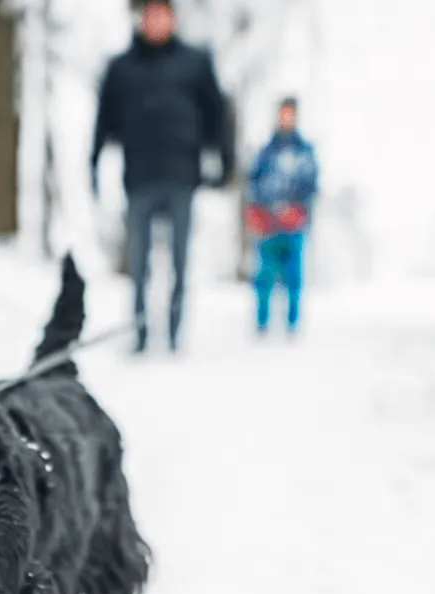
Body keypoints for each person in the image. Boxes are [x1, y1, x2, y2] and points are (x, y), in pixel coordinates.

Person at [91, 0, 234, 354]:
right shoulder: (122, 67)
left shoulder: (195, 63)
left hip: (182, 177)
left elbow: (217, 116)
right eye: (149, 14)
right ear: (141, 19)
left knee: (179, 261)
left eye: (162, 14)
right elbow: (103, 120)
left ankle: (173, 332)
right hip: (138, 177)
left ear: (172, 18)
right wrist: (93, 164)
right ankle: (139, 332)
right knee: (139, 265)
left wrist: (225, 163)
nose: (155, 20)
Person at [244, 97, 319, 338]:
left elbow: (311, 187)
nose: (286, 118)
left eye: (290, 114)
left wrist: (298, 211)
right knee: (264, 276)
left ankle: (292, 324)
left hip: (294, 225)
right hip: (268, 224)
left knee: (294, 278)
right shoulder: (266, 152)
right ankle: (261, 323)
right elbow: (253, 183)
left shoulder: (304, 152)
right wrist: (258, 212)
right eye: (283, 113)